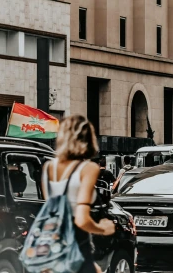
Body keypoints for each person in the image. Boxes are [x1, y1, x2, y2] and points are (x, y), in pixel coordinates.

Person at [41, 115, 115, 273]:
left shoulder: (48, 168)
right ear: (88, 139)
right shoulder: (88, 169)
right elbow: (81, 219)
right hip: (77, 243)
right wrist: (103, 229)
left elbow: (51, 211)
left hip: (53, 243)